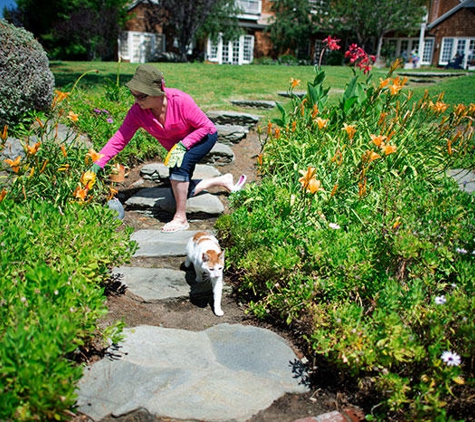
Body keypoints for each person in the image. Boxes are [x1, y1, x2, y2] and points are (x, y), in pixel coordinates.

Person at [91, 64, 246, 233]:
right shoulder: (138, 112)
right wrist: (97, 164)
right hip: (178, 148)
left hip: (203, 138)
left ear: (159, 90)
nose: (137, 100)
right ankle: (222, 181)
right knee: (178, 192)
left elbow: (207, 128)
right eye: (134, 95)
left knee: (180, 170)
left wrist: (183, 145)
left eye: (142, 96)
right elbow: (119, 139)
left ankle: (181, 219)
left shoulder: (180, 101)